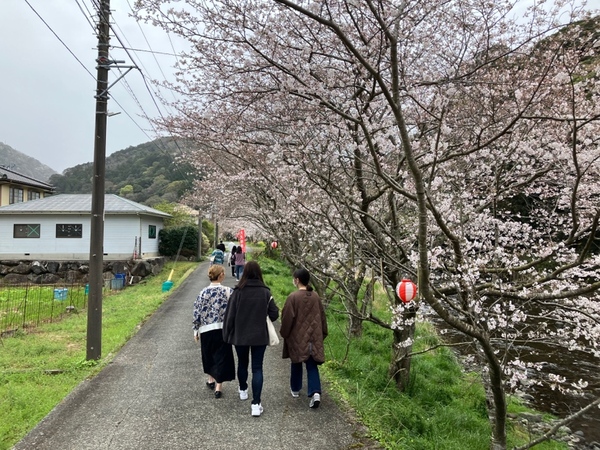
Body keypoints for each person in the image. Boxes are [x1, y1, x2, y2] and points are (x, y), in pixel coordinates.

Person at [223, 261, 279, 417]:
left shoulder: (238, 292)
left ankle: (243, 390)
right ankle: (256, 403)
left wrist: (226, 334)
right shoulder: (265, 292)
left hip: (240, 336)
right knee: (257, 368)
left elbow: (230, 316)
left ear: (245, 273)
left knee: (242, 362)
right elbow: (274, 314)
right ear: (259, 273)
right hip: (259, 336)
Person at [280, 268, 328, 409]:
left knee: (296, 361)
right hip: (313, 337)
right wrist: (322, 333)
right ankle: (316, 392)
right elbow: (322, 318)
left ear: (297, 280)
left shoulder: (293, 297)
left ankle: (295, 389)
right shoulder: (315, 297)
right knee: (312, 364)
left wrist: (284, 333)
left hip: (297, 337)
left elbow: (287, 319)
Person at [193, 265, 235, 398]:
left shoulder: (203, 292)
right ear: (221, 275)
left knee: (208, 354)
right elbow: (234, 310)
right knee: (222, 356)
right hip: (222, 329)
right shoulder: (228, 291)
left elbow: (197, 311)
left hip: (206, 329)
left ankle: (210, 379)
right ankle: (218, 386)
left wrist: (196, 330)